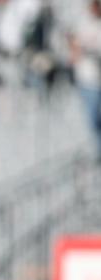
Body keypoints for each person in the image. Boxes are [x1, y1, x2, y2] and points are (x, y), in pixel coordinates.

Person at [69, 0, 101, 160]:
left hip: (97, 79)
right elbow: (74, 45)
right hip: (86, 79)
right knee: (93, 118)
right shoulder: (83, 23)